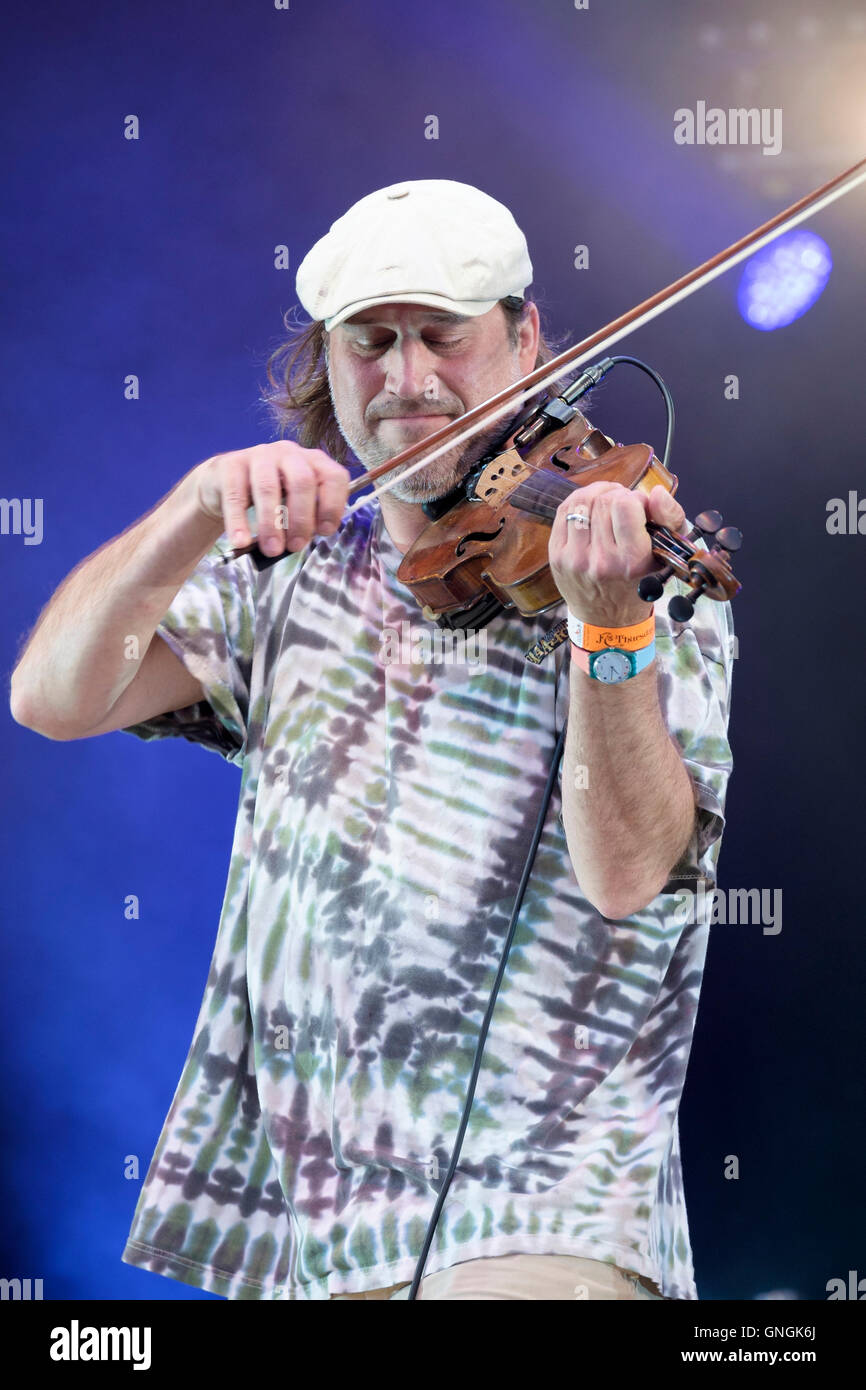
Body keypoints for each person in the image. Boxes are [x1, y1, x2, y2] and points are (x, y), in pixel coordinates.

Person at [9, 179, 735, 1302]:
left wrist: (608, 630)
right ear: (327, 362)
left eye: (443, 337)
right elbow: (51, 697)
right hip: (312, 1236)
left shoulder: (635, 570)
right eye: (370, 344)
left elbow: (630, 871)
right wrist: (191, 511)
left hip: (542, 1214)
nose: (406, 380)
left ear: (525, 336)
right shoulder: (290, 576)